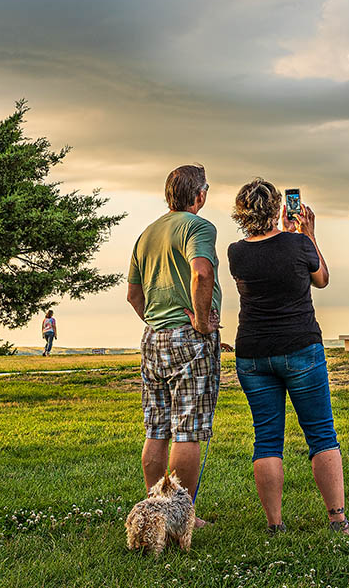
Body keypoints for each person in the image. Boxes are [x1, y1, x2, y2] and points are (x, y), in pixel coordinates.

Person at [227, 178, 349, 534]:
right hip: (301, 347)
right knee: (321, 435)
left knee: (267, 438)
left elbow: (267, 259)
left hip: (253, 353)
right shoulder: (299, 243)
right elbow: (322, 279)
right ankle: (338, 521)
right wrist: (307, 233)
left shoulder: (236, 252)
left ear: (241, 212)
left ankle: (275, 525)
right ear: (277, 209)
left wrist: (289, 236)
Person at [126, 164, 222, 528]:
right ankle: (181, 517)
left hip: (153, 337)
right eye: (206, 190)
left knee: (156, 428)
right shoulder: (198, 227)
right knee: (188, 429)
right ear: (199, 195)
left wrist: (155, 318)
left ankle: (155, 510)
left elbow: (134, 294)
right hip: (188, 337)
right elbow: (202, 272)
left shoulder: (147, 234)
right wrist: (199, 320)